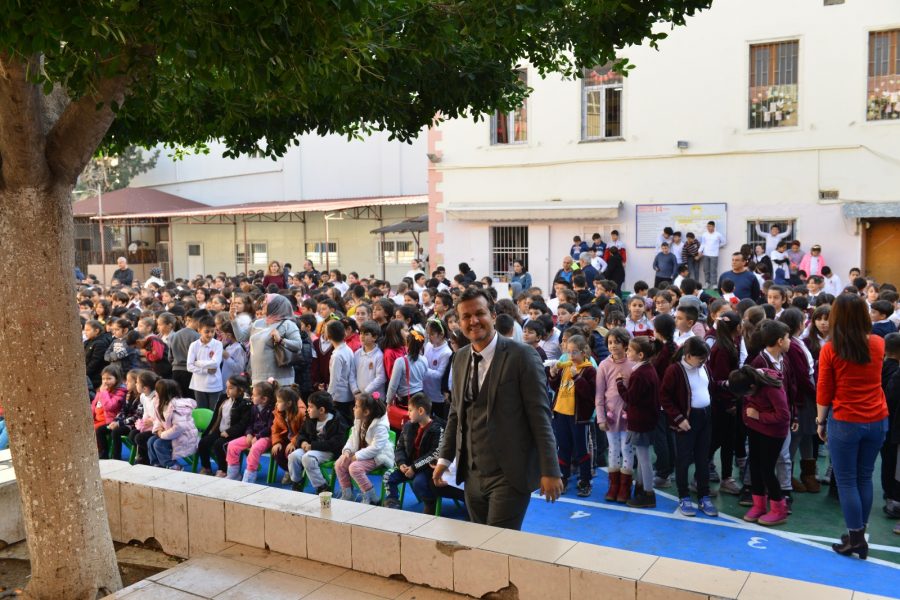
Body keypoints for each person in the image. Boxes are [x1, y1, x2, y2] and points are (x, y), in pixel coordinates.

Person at [433, 288, 563, 530]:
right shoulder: (459, 358)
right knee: (480, 544)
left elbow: (540, 416)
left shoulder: (522, 356)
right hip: (471, 474)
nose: (473, 321)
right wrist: (445, 457)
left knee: (499, 547)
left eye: (479, 313)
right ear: (458, 322)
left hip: (509, 473)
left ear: (493, 315)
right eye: (466, 316)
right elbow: (455, 415)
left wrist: (550, 469)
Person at [816, 293, 889, 559]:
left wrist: (821, 421)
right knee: (864, 477)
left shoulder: (830, 348)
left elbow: (824, 390)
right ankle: (860, 533)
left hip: (846, 420)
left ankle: (855, 538)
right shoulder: (878, 343)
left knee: (846, 481)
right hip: (877, 418)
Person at [660, 337, 718, 517]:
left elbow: (710, 387)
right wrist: (678, 418)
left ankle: (703, 495)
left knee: (703, 458)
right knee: (683, 459)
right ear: (688, 355)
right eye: (700, 359)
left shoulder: (703, 367)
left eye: (705, 359)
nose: (703, 362)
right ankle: (684, 495)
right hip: (687, 420)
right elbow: (664, 396)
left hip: (705, 418)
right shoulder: (675, 370)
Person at [729, 365, 791, 526]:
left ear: (752, 387)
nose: (746, 397)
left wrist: (759, 416)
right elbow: (745, 406)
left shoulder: (771, 388)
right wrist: (749, 419)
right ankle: (759, 505)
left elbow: (784, 416)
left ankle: (779, 509)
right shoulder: (748, 382)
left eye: (746, 394)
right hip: (755, 429)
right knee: (754, 467)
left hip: (773, 434)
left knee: (767, 469)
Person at [548, 335, 597, 498]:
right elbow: (557, 387)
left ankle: (585, 481)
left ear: (583, 352)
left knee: (581, 450)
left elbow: (590, 395)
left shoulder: (589, 370)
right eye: (568, 352)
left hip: (579, 417)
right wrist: (553, 375)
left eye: (574, 352)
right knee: (563, 448)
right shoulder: (566, 367)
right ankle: (563, 478)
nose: (570, 356)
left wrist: (577, 377)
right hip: (561, 413)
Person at [616, 336, 660, 508]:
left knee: (644, 459)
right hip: (648, 420)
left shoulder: (640, 374)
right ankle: (641, 488)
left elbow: (630, 398)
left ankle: (648, 493)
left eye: (630, 350)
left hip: (641, 422)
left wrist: (619, 383)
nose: (627, 352)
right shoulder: (648, 369)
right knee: (643, 458)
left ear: (640, 354)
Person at [383, 393, 445, 513]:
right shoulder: (408, 426)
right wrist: (401, 463)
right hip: (408, 466)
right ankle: (392, 503)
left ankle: (429, 503)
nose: (408, 413)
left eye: (410, 410)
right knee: (388, 476)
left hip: (426, 468)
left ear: (421, 410)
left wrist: (414, 467)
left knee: (419, 483)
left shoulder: (438, 428)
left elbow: (434, 454)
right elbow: (399, 448)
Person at [335, 392, 394, 504]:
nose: (353, 408)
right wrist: (347, 451)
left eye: (356, 406)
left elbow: (376, 448)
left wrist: (357, 456)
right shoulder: (359, 420)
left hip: (379, 456)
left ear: (366, 412)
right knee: (339, 464)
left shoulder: (380, 426)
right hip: (362, 454)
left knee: (354, 468)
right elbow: (352, 438)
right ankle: (348, 494)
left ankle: (372, 497)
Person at [288, 391, 348, 493]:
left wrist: (313, 446)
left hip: (329, 451)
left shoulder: (337, 422)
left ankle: (322, 486)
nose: (308, 409)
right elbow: (302, 434)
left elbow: (335, 444)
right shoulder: (310, 418)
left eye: (310, 407)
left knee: (308, 458)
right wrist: (302, 442)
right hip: (311, 448)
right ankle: (297, 482)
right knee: (293, 456)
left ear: (321, 410)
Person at [236, 294, 302, 386]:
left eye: (266, 303)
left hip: (279, 380)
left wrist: (280, 340)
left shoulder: (287, 324)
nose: (262, 305)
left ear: (275, 306)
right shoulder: (257, 323)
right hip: (258, 378)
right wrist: (233, 319)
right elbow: (241, 337)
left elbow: (298, 345)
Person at [197, 375, 252, 476]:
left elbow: (243, 424)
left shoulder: (245, 403)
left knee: (219, 444)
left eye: (231, 388)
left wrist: (229, 432)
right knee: (203, 442)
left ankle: (223, 470)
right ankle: (206, 467)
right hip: (221, 431)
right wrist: (210, 431)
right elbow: (216, 417)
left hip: (235, 433)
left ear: (240, 390)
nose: (227, 390)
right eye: (226, 387)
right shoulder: (223, 398)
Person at [225, 380, 276, 482]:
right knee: (232, 445)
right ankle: (233, 475)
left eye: (254, 395)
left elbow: (271, 428)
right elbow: (250, 424)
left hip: (266, 437)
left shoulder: (272, 410)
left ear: (264, 399)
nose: (251, 397)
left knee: (255, 448)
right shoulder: (254, 408)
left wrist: (258, 436)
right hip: (253, 436)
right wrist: (248, 434)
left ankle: (249, 477)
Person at [147, 379, 199, 470]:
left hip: (185, 436)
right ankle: (156, 464)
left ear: (163, 393)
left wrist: (162, 434)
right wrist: (158, 430)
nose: (155, 392)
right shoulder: (159, 402)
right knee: (151, 441)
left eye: (157, 390)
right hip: (171, 433)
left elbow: (180, 427)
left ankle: (174, 466)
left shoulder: (177, 407)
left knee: (159, 444)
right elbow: (158, 419)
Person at [270, 383, 306, 482]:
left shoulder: (301, 413)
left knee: (291, 452)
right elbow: (275, 429)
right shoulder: (279, 411)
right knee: (277, 452)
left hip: (299, 440)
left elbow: (304, 431)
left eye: (279, 401)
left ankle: (296, 473)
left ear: (289, 403)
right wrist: (277, 442)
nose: (276, 404)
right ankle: (289, 471)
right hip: (287, 439)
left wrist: (294, 442)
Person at [186, 315, 224, 410]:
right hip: (199, 385)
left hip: (214, 384)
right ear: (199, 330)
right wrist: (206, 371)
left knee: (213, 412)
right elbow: (189, 366)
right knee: (202, 412)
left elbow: (215, 363)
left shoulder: (218, 344)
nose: (210, 334)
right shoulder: (194, 345)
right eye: (207, 331)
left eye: (212, 331)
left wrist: (197, 363)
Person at [93, 366, 127, 458]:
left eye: (109, 378)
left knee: (97, 430)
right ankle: (92, 451)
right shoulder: (102, 390)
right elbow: (94, 404)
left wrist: (104, 393)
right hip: (98, 419)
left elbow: (110, 407)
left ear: (117, 379)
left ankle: (102, 454)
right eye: (103, 378)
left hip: (109, 420)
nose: (105, 381)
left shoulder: (120, 392)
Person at [325, 320, 355, 423]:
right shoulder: (348, 349)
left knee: (339, 425)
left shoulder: (337, 355)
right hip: (348, 394)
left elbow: (335, 380)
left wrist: (327, 398)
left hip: (339, 397)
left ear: (328, 336)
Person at [129, 370, 160, 465]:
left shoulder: (156, 399)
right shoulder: (143, 396)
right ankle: (143, 456)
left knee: (140, 437)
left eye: (137, 383)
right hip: (149, 425)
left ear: (145, 388)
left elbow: (161, 417)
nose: (136, 384)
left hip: (158, 427)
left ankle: (150, 458)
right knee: (133, 434)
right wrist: (143, 422)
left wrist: (152, 422)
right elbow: (146, 412)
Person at [84, 320, 113, 392]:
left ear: (96, 331)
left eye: (88, 330)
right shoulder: (88, 341)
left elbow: (95, 362)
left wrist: (84, 373)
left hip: (95, 377)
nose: (85, 332)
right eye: (85, 330)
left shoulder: (101, 343)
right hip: (87, 374)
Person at [699, 221, 726, 289]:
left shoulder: (718, 234)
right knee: (706, 269)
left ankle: (714, 284)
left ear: (713, 227)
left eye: (710, 226)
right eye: (708, 226)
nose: (709, 228)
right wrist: (699, 250)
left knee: (713, 270)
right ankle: (707, 283)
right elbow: (703, 243)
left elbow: (724, 242)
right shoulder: (704, 234)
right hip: (705, 254)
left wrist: (717, 246)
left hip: (714, 254)